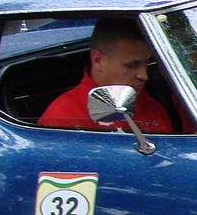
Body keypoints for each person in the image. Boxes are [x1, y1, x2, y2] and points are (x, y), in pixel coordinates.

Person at [39, 18, 177, 133]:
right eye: (131, 65)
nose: (144, 75)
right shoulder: (64, 116)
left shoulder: (150, 106)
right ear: (98, 60)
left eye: (147, 63)